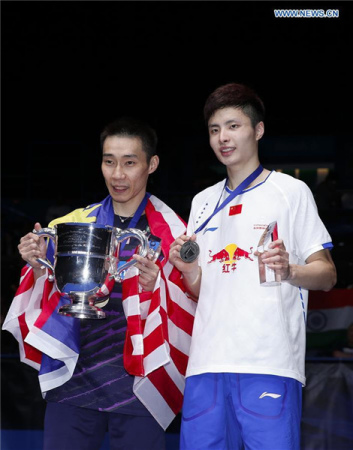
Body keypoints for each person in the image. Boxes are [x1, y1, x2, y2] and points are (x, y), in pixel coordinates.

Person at [3, 117, 196, 450]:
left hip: (139, 386)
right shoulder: (76, 223)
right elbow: (47, 290)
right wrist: (35, 262)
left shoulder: (174, 232)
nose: (117, 174)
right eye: (109, 162)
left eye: (129, 162)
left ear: (152, 164)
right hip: (75, 380)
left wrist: (156, 288)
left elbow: (191, 304)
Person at [169, 83, 337, 450]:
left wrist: (290, 270)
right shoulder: (202, 201)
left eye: (233, 126)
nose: (222, 138)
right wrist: (188, 268)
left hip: (269, 362)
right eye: (214, 130)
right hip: (205, 365)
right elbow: (202, 289)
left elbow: (326, 274)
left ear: (257, 130)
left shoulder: (290, 192)